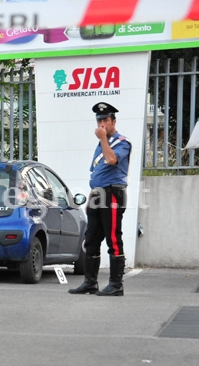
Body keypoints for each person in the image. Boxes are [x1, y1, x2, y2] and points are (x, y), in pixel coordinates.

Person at [69, 102, 131, 297]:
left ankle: (116, 285)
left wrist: (104, 139)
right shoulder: (101, 145)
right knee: (91, 239)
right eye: (99, 121)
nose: (102, 124)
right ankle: (90, 282)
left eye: (106, 120)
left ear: (114, 121)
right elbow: (97, 172)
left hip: (112, 193)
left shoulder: (121, 142)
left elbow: (112, 160)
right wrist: (91, 198)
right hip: (97, 194)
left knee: (113, 239)